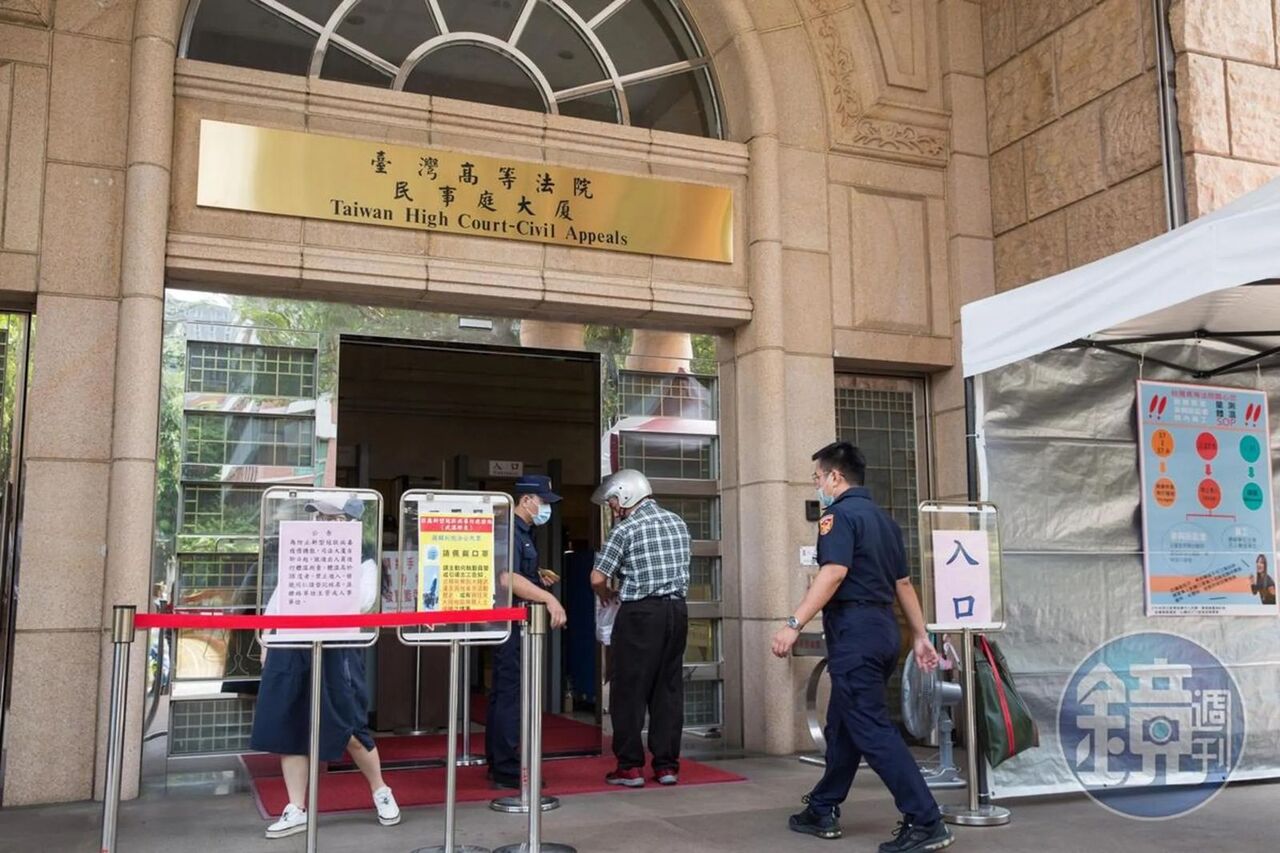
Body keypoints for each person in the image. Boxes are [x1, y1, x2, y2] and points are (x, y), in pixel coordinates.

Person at [771, 443, 954, 853]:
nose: (817, 485)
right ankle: (822, 807)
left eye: (818, 478)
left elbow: (834, 573)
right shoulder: (884, 521)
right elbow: (902, 584)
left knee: (870, 727)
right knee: (844, 724)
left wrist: (793, 624)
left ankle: (926, 819)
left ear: (835, 477)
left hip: (856, 633)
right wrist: (920, 635)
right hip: (884, 630)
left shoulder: (838, 517)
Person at [250, 496, 400, 839]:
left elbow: (362, 601)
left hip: (336, 649)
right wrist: (268, 639)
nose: (322, 523)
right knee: (291, 724)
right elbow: (279, 597)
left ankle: (380, 789)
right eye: (318, 516)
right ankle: (296, 807)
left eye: (331, 517)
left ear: (350, 522)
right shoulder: (301, 549)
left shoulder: (365, 559)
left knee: (348, 725)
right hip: (292, 645)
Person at [590, 469, 690, 788]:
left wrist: (606, 594)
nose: (613, 507)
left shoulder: (626, 529)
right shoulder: (677, 522)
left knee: (629, 689)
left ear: (626, 494)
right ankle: (666, 766)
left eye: (613, 500)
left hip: (640, 614)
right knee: (668, 688)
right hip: (676, 611)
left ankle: (630, 766)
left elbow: (597, 577)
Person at [486, 474, 568, 789]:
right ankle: (506, 767)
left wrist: (536, 578)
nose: (546, 508)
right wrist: (548, 598)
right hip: (511, 622)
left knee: (505, 693)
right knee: (509, 693)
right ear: (526, 500)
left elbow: (518, 573)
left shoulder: (524, 532)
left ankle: (499, 761)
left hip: (516, 621)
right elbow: (507, 577)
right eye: (543, 501)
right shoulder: (509, 529)